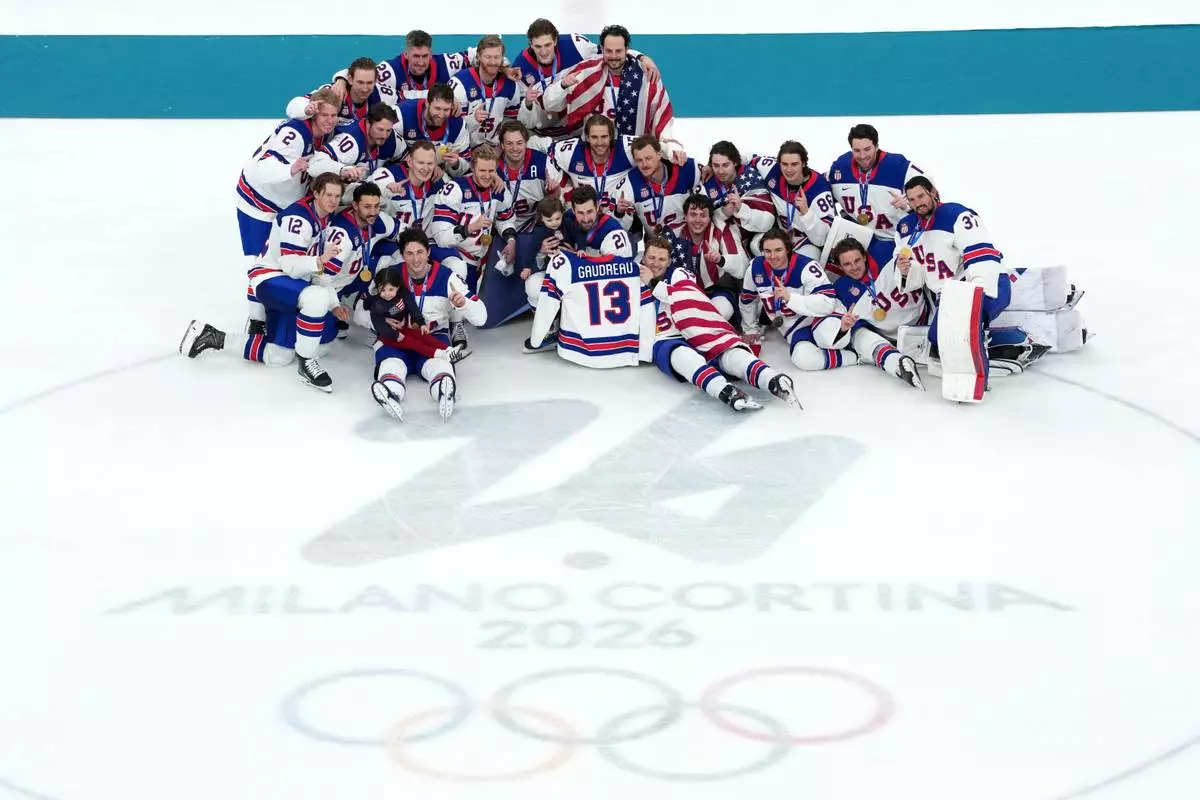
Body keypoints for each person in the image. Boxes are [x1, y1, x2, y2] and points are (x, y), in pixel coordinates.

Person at [181, 174, 347, 391]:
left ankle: (213, 336)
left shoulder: (324, 218)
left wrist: (334, 304)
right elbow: (289, 265)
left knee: (279, 356)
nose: (333, 200)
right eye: (329, 195)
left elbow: (316, 273)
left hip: (293, 287)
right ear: (316, 194)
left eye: (337, 195)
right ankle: (306, 363)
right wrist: (319, 260)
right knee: (316, 297)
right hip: (271, 278)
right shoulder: (299, 217)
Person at [893, 176, 1048, 371]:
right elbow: (915, 275)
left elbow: (980, 255)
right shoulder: (906, 228)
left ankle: (998, 344)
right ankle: (1015, 339)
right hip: (951, 297)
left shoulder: (956, 215)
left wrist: (973, 297)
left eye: (921, 196)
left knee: (960, 331)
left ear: (932, 192)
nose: (918, 203)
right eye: (912, 199)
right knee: (937, 340)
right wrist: (906, 270)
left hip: (983, 285)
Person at [641, 236, 801, 411]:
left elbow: (683, 294)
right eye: (651, 258)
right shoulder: (630, 277)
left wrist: (651, 282)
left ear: (669, 261)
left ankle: (772, 379)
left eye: (662, 259)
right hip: (665, 336)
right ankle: (723, 390)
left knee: (728, 353)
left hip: (695, 328)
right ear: (643, 257)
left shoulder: (678, 273)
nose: (656, 263)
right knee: (682, 356)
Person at [368, 229, 486, 422]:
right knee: (391, 364)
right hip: (395, 337)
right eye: (410, 254)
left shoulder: (448, 278)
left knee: (439, 365)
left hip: (432, 336)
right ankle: (390, 392)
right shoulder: (390, 276)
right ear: (402, 255)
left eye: (420, 252)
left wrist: (464, 305)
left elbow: (481, 317)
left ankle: (443, 391)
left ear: (428, 252)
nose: (416, 260)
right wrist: (379, 320)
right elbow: (361, 309)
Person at [541, 25, 684, 162]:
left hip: (632, 157)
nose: (614, 56)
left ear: (627, 49)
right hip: (593, 155)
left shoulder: (646, 76)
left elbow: (662, 117)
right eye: (609, 51)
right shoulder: (585, 71)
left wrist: (671, 147)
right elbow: (549, 103)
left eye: (618, 51)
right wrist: (562, 85)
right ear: (602, 49)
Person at [430, 144, 517, 352]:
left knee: (473, 303)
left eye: (491, 171)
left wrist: (511, 240)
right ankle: (452, 326)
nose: (487, 176)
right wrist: (469, 228)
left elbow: (506, 217)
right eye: (482, 171)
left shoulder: (498, 188)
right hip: (452, 251)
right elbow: (441, 236)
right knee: (458, 273)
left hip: (479, 255)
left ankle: (453, 319)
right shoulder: (456, 189)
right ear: (472, 168)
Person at [511, 19, 659, 140]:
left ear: (555, 40)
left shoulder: (575, 45)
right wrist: (528, 104)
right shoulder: (520, 68)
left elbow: (610, 51)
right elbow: (524, 117)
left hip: (575, 130)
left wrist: (641, 57)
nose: (543, 52)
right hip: (541, 133)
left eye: (547, 45)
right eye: (538, 46)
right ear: (530, 44)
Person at [235, 88, 339, 259]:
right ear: (314, 114)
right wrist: (290, 169)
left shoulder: (321, 130)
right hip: (259, 203)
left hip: (285, 206)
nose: (330, 121)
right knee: (259, 264)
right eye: (324, 116)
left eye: (333, 115)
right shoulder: (295, 134)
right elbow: (263, 169)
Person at [739, 228, 849, 372]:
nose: (772, 256)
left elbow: (827, 303)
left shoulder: (807, 266)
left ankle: (855, 343)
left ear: (788, 249)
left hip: (820, 318)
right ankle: (853, 356)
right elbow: (748, 299)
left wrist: (790, 299)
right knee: (803, 359)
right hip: (793, 329)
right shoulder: (755, 267)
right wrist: (749, 328)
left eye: (778, 250)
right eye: (767, 251)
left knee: (829, 338)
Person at [525, 250, 654, 368]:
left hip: (576, 351)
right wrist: (645, 352)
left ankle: (551, 332)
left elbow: (548, 303)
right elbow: (647, 309)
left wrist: (535, 340)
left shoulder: (564, 263)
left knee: (535, 285)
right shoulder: (635, 269)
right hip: (623, 351)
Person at [824, 239, 924, 389]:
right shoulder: (839, 288)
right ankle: (893, 361)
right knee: (856, 329)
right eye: (847, 264)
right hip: (893, 337)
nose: (854, 267)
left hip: (924, 317)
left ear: (864, 256)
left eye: (857, 260)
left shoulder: (884, 252)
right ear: (839, 266)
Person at [826, 123, 926, 267]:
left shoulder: (900, 167)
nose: (862, 156)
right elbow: (821, 189)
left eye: (867, 149)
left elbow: (931, 197)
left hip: (895, 238)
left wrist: (908, 205)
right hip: (861, 237)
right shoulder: (840, 167)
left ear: (876, 146)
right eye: (856, 150)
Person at [663, 193, 748, 320]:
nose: (698, 220)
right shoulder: (672, 233)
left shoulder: (723, 231)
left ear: (710, 218)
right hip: (682, 291)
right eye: (693, 214)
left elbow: (742, 267)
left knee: (722, 311)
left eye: (703, 215)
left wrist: (721, 259)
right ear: (685, 216)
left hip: (717, 291)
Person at [450, 35, 539, 150]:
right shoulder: (460, 83)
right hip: (464, 149)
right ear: (479, 56)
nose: (492, 62)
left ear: (502, 58)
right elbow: (449, 126)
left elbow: (512, 123)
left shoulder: (510, 84)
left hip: (495, 150)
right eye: (488, 57)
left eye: (497, 57)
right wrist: (473, 119)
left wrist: (527, 103)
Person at [754, 141, 838, 262]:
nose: (788, 169)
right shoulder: (771, 169)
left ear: (803, 163)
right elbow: (749, 158)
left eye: (794, 164)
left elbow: (822, 239)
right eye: (784, 164)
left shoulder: (820, 191)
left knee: (808, 259)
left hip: (806, 243)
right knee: (756, 244)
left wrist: (806, 212)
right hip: (779, 236)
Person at [344, 30, 475, 104]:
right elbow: (361, 74)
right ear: (406, 54)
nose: (421, 62)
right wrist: (341, 80)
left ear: (431, 53)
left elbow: (475, 54)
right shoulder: (390, 70)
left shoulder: (445, 63)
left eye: (425, 56)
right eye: (416, 56)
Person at [613, 134, 702, 237]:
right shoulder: (630, 183)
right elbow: (619, 227)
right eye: (639, 160)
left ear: (659, 154)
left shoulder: (687, 168)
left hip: (689, 241)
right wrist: (619, 212)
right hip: (656, 248)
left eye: (648, 158)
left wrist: (707, 169)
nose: (644, 164)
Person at [548, 114, 638, 214]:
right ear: (587, 137)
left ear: (612, 136)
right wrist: (563, 186)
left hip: (618, 217)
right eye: (594, 137)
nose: (599, 142)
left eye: (604, 137)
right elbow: (551, 151)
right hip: (583, 217)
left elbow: (653, 148)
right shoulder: (572, 152)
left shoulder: (627, 149)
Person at [307, 103, 403, 191]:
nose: (384, 136)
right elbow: (313, 164)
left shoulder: (392, 139)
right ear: (368, 123)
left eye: (388, 130)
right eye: (380, 129)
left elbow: (408, 161)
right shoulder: (351, 141)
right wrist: (342, 170)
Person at [704, 141, 777, 253]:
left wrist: (740, 208)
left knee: (759, 247)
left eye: (725, 165)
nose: (720, 171)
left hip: (759, 233)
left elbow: (768, 222)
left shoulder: (751, 178)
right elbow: (701, 219)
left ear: (735, 163)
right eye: (716, 165)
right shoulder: (708, 181)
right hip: (731, 234)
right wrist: (723, 212)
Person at [366, 140, 446, 234]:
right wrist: (386, 189)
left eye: (430, 163)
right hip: (391, 240)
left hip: (422, 242)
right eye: (420, 163)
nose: (426, 168)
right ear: (409, 162)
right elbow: (364, 192)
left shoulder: (439, 182)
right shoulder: (390, 176)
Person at [288, 57, 395, 127]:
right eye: (360, 82)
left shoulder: (384, 95)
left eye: (369, 83)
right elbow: (292, 107)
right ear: (350, 79)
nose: (365, 88)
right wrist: (306, 109)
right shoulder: (333, 91)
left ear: (376, 80)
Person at [394, 84, 471, 177]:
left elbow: (466, 163)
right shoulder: (402, 114)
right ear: (427, 103)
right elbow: (388, 145)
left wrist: (456, 164)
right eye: (437, 108)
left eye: (446, 109)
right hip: (404, 170)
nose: (441, 115)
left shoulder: (457, 124)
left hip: (436, 174)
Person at [495, 120, 556, 234]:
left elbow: (554, 202)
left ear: (526, 143)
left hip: (535, 224)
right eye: (509, 143)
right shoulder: (493, 168)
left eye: (519, 143)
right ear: (502, 145)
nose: (515, 148)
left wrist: (554, 190)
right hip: (501, 226)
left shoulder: (542, 162)